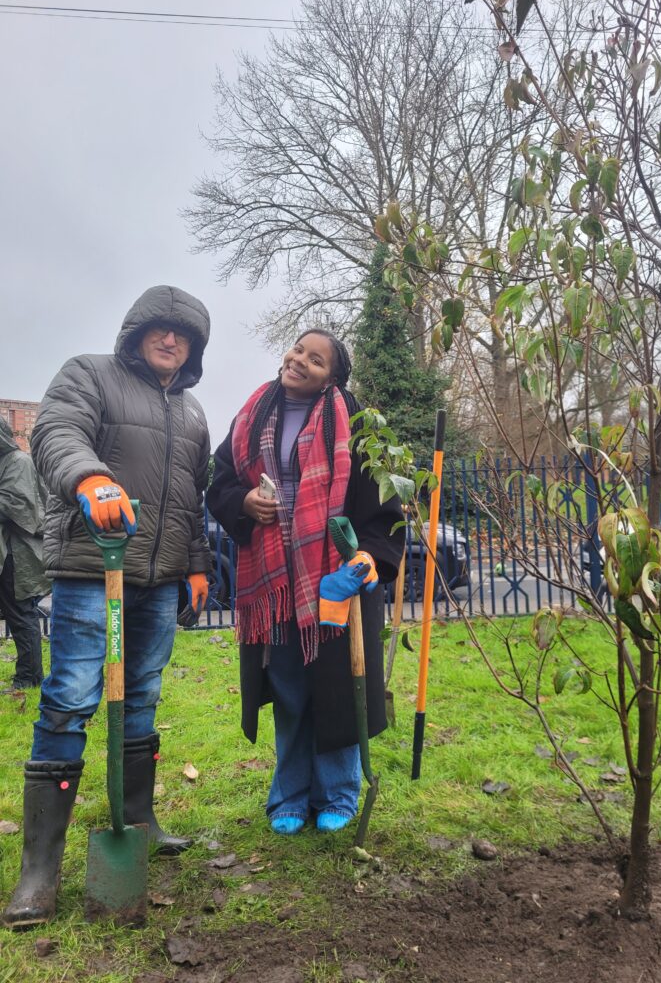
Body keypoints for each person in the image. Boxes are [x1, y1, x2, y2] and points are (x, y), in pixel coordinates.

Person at [3, 285, 211, 929]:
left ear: (194, 346)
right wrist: (90, 477)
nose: (171, 338)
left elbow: (190, 497)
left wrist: (198, 564)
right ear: (136, 330)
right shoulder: (89, 374)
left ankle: (140, 821)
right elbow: (56, 434)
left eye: (184, 332)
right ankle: (40, 869)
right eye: (160, 327)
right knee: (69, 694)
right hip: (93, 569)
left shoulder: (195, 412)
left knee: (142, 694)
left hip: (158, 578)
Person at [206, 329, 404, 836]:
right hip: (275, 587)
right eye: (299, 350)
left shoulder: (354, 426)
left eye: (317, 360)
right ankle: (289, 795)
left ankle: (337, 792)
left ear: (331, 378)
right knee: (290, 689)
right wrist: (244, 503)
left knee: (338, 689)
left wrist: (363, 561)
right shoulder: (252, 416)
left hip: (336, 583)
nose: (300, 361)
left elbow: (383, 511)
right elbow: (220, 483)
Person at [0, 416, 49, 691]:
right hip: (7, 552)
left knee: (21, 615)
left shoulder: (18, 462)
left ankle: (28, 678)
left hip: (17, 555)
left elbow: (17, 505)